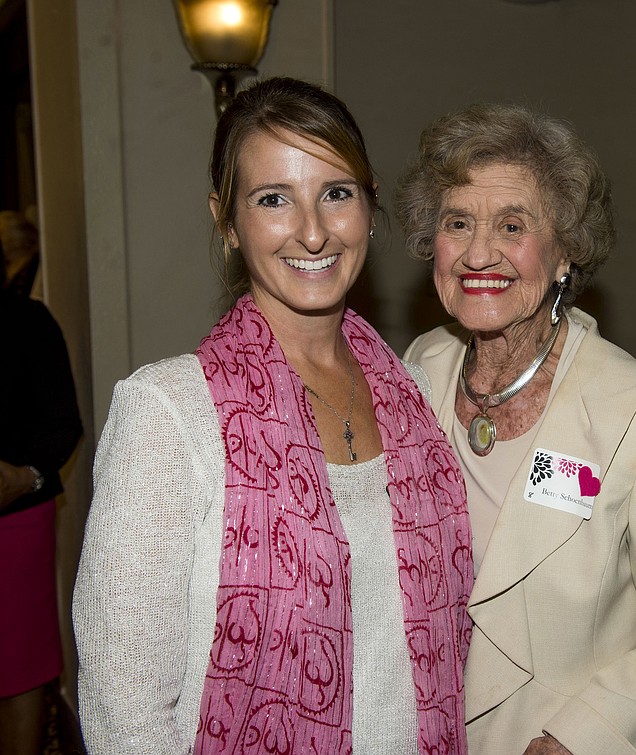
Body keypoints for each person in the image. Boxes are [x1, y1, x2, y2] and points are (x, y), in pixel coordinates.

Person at [73, 77, 472, 755]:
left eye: (337, 193)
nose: (313, 231)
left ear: (370, 209)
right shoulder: (169, 414)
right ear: (227, 221)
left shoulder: (411, 397)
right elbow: (124, 709)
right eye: (273, 199)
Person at [397, 103, 636, 755]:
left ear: (564, 252)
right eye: (458, 222)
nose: (479, 252)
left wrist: (577, 737)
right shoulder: (421, 369)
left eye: (512, 224)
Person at [0, 252, 83, 755]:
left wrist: (24, 476)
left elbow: (63, 425)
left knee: (19, 670)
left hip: (15, 522)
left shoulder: (27, 323)